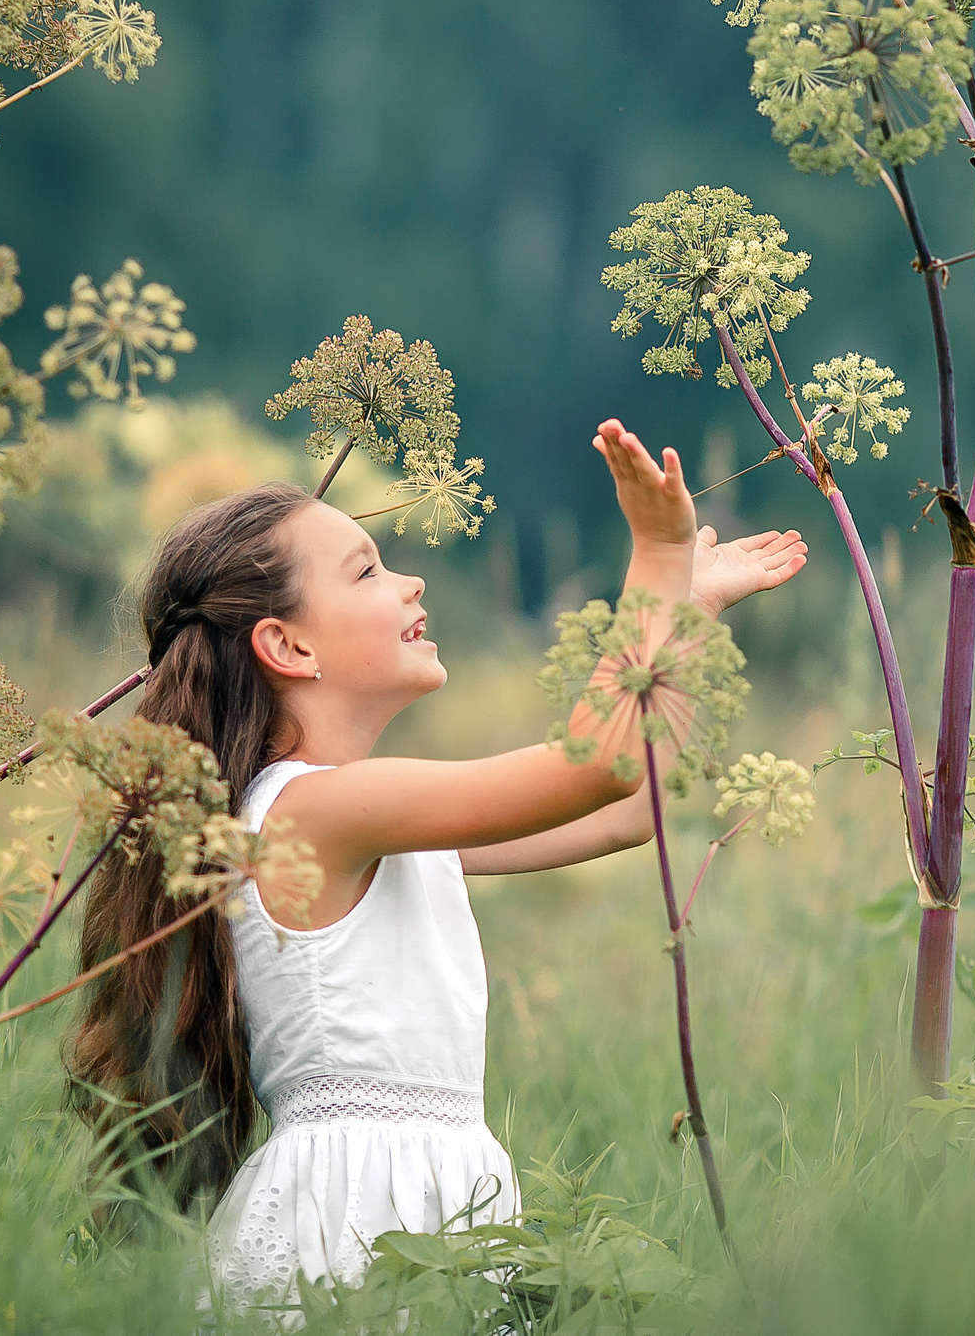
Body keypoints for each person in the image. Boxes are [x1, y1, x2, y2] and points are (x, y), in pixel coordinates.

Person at [64, 417, 805, 1304]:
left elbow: (631, 806)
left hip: (420, 1207)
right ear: (288, 646)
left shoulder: (364, 818)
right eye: (368, 570)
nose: (411, 579)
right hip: (350, 1228)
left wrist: (688, 610)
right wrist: (655, 551)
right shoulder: (314, 810)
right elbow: (597, 763)